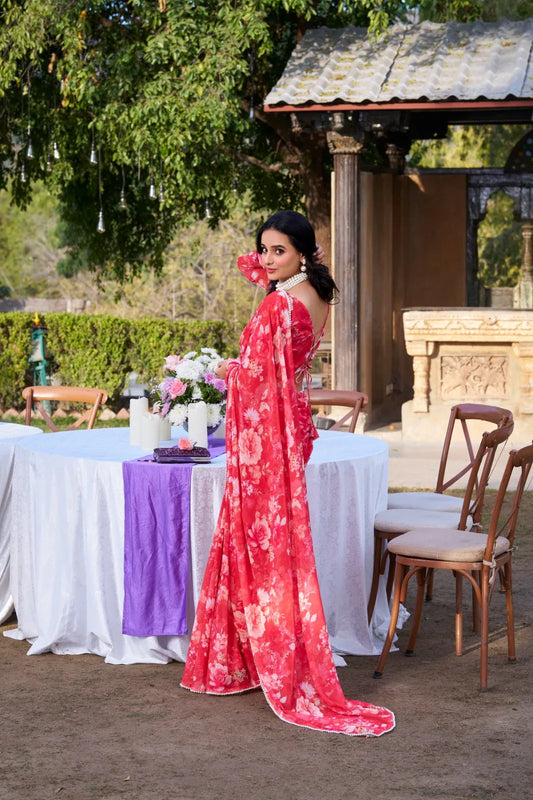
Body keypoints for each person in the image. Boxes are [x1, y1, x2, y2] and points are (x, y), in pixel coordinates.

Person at [181, 211, 395, 736]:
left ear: (302, 251)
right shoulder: (313, 299)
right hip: (285, 431)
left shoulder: (282, 304)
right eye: (263, 250)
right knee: (266, 542)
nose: (267, 260)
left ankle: (261, 657)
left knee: (263, 546)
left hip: (265, 440)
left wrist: (221, 370)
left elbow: (256, 376)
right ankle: (254, 653)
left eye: (278, 250)